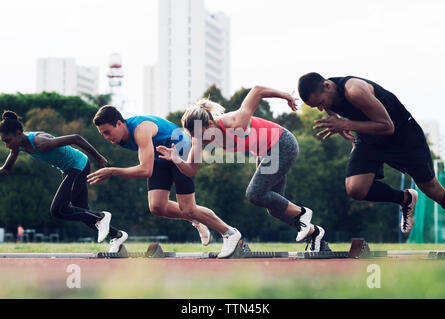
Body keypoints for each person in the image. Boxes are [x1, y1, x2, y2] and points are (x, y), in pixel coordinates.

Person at [157, 86, 327, 252]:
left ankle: (302, 213)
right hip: (265, 152)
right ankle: (315, 233)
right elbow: (191, 170)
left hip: (282, 144)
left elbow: (257, 90)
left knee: (254, 194)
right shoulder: (199, 138)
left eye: (201, 136)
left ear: (210, 124)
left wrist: (286, 96)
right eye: (195, 137)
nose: (200, 141)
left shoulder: (234, 122)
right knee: (274, 208)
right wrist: (177, 160)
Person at [297, 72, 445, 234]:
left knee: (432, 189)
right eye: (316, 107)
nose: (321, 108)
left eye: (321, 103)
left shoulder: (354, 91)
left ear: (327, 86)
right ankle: (405, 199)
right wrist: (339, 126)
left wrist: (345, 123)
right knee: (355, 189)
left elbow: (387, 126)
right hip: (369, 138)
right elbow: (331, 110)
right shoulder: (326, 95)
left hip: (402, 135)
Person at [89, 106, 241, 258]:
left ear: (119, 123)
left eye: (107, 132)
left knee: (188, 208)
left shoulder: (140, 130)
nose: (106, 137)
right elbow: (148, 165)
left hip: (179, 150)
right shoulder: (120, 136)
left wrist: (112, 171)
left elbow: (145, 170)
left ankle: (229, 232)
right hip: (160, 158)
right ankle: (196, 218)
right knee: (157, 207)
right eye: (102, 134)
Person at [0, 110, 127, 252]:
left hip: (78, 166)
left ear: (18, 133)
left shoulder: (40, 142)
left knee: (58, 209)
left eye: (7, 140)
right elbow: (5, 170)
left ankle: (102, 216)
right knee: (83, 213)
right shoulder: (18, 146)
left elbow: (76, 138)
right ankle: (118, 235)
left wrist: (98, 158)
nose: (7, 145)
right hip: (68, 170)